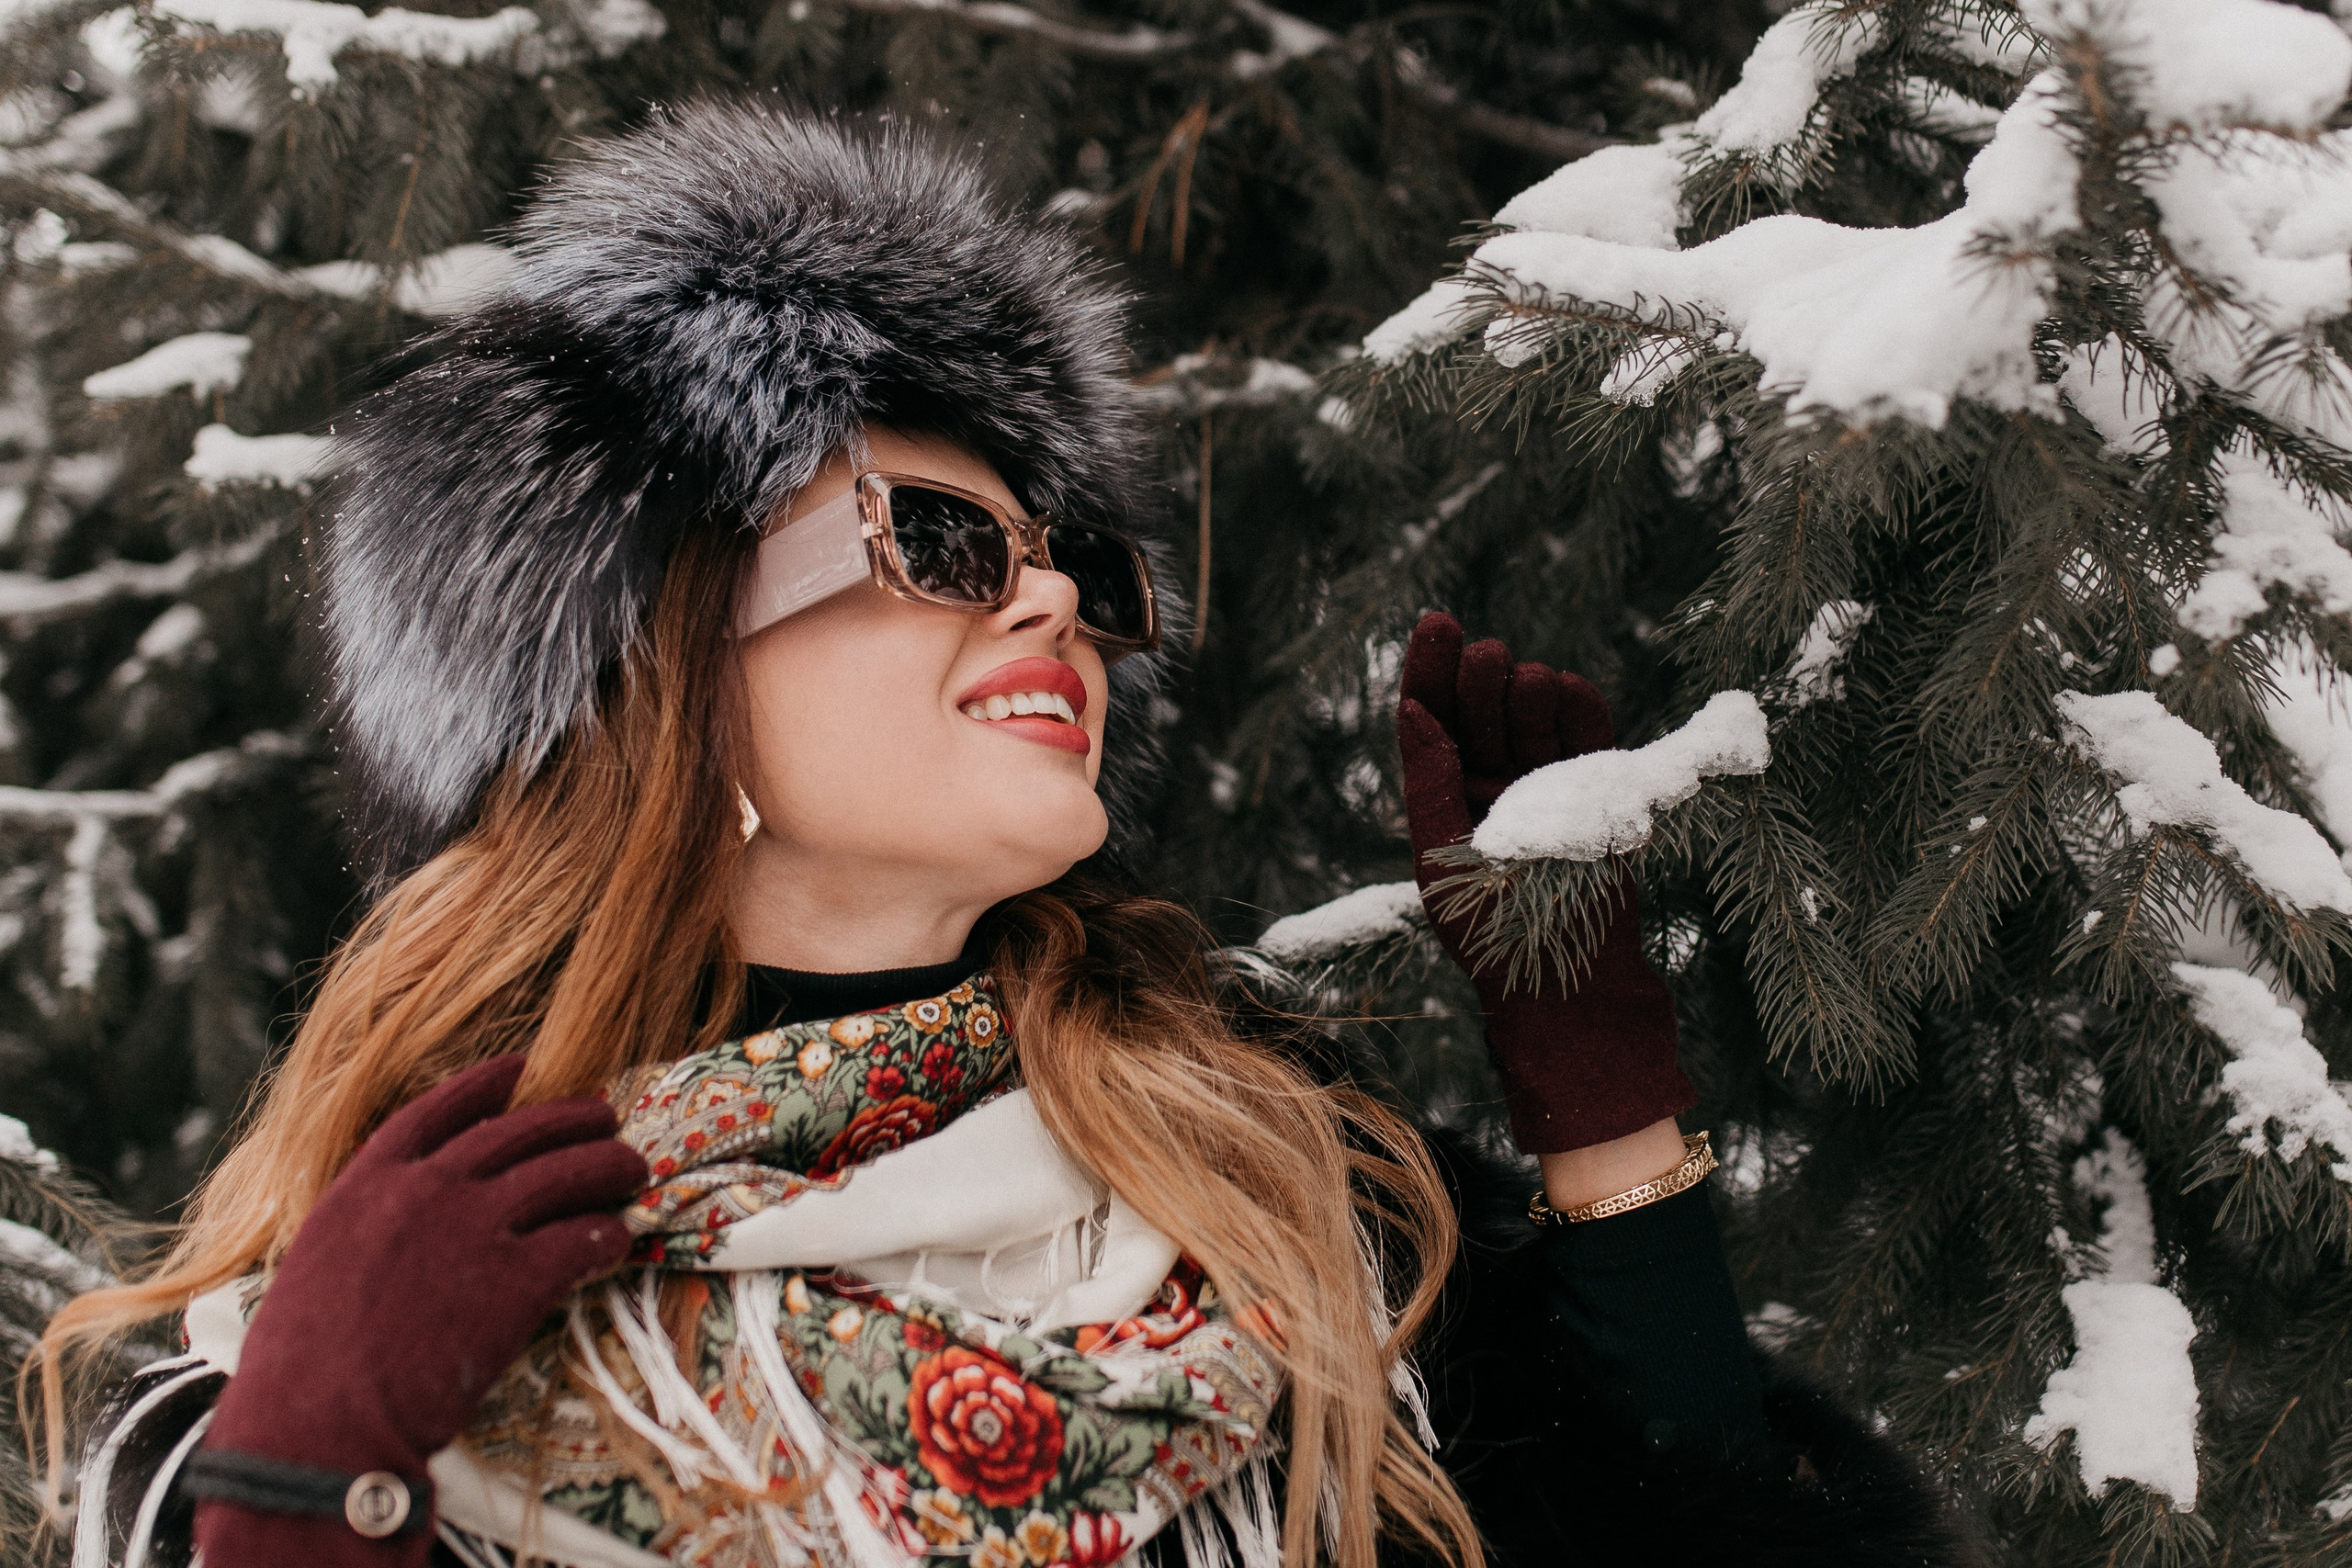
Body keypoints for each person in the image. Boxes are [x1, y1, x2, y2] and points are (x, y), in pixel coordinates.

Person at [40, 105, 1973, 1568]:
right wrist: (313, 1477)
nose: (1050, 604)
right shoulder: (354, 1330)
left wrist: (1603, 1128)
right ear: (646, 665)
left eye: (1074, 565)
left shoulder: (1287, 1209)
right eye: (943, 546)